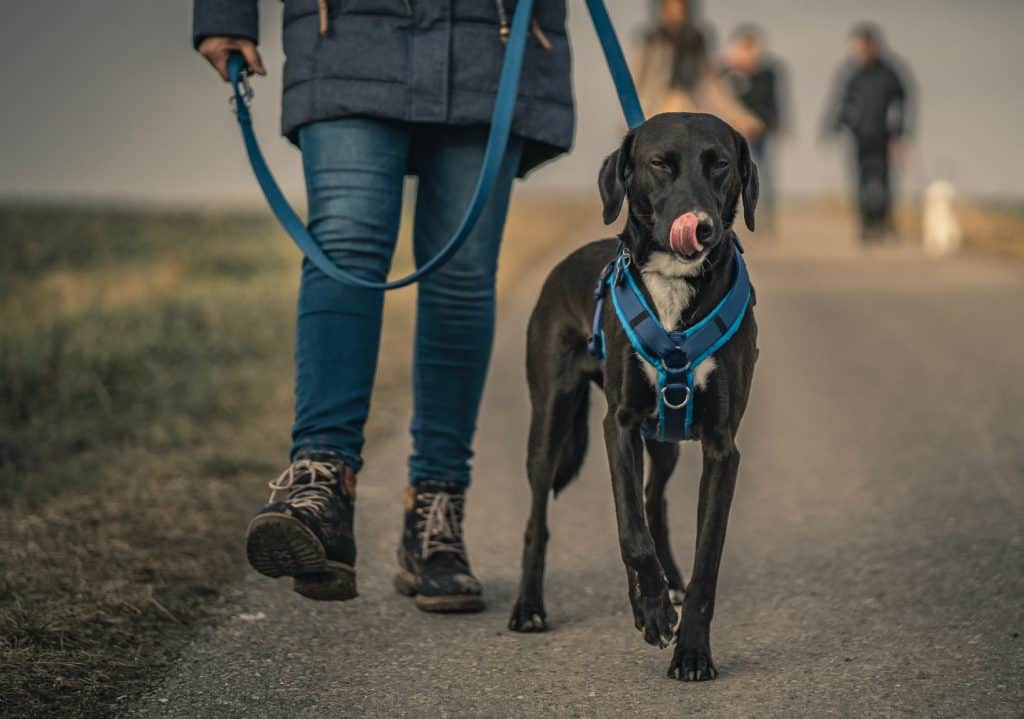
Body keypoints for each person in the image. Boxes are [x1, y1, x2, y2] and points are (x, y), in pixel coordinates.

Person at [193, 1, 573, 612]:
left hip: (491, 36)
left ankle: (436, 514)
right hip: (347, 27)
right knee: (341, 246)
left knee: (463, 273)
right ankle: (321, 491)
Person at [824, 23, 914, 242]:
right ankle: (865, 225)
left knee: (884, 182)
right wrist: (835, 124)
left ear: (872, 44)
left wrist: (899, 133)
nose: (858, 49)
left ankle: (884, 224)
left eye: (861, 45)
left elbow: (902, 101)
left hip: (884, 137)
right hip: (859, 136)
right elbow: (842, 101)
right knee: (861, 182)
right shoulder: (852, 71)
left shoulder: (890, 72)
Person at [635, 0, 763, 140]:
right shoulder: (651, 41)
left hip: (691, 108)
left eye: (678, 8)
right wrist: (633, 120)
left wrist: (742, 118)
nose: (674, 13)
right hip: (655, 110)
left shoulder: (695, 40)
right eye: (669, 8)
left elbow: (712, 86)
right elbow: (638, 81)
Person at [721, 24, 787, 231]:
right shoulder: (725, 71)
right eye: (744, 48)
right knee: (725, 173)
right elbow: (718, 100)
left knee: (763, 174)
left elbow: (776, 101)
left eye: (752, 48)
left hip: (760, 131)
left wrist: (776, 125)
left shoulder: (768, 72)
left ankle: (765, 220)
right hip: (731, 132)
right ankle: (725, 217)